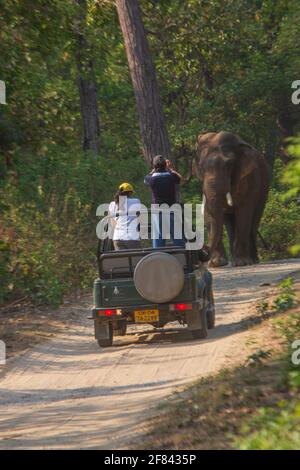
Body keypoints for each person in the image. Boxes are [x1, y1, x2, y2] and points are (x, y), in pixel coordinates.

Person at [144, 155, 185, 248]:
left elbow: (146, 178)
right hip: (171, 210)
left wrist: (154, 169)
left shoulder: (152, 179)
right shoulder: (171, 177)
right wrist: (170, 168)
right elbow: (180, 178)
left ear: (154, 166)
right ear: (165, 165)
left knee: (158, 238)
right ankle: (183, 257)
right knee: (177, 236)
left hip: (157, 211)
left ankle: (158, 258)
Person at [108, 182, 141, 250]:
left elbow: (113, 224)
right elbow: (138, 218)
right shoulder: (136, 201)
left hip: (117, 238)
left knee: (122, 260)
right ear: (129, 193)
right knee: (136, 260)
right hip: (132, 237)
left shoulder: (112, 204)